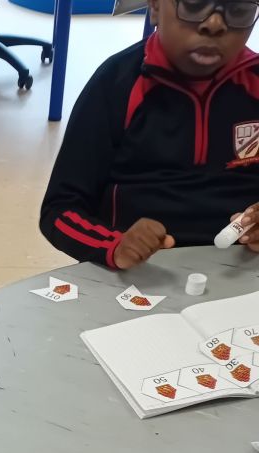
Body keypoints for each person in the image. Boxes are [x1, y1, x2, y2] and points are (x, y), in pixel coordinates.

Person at [40, 0, 259, 270]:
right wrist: (113, 246)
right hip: (137, 272)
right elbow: (59, 210)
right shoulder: (116, 84)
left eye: (239, 10)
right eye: (193, 5)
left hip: (242, 268)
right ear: (155, 8)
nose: (214, 24)